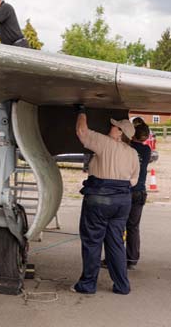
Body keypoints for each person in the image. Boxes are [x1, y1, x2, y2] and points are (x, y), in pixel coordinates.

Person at [72, 106, 140, 295]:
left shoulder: (105, 143)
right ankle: (122, 285)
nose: (110, 127)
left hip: (100, 198)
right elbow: (133, 181)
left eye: (115, 126)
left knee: (93, 242)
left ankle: (87, 285)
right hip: (123, 201)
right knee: (116, 243)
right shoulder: (133, 153)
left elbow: (82, 132)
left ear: (120, 133)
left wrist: (82, 111)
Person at [126, 118, 151, 270]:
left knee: (118, 226)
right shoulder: (147, 150)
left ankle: (112, 259)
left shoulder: (127, 148)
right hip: (140, 192)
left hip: (126, 191)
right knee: (133, 227)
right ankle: (132, 259)